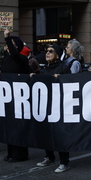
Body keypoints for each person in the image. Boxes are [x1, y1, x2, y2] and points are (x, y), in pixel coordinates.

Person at [0, 29, 30, 163]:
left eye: (13, 44)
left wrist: (8, 38)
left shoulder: (20, 58)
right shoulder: (6, 59)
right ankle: (11, 153)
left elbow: (15, 55)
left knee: (18, 126)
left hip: (19, 97)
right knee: (9, 126)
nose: (9, 46)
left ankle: (20, 154)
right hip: (7, 96)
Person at [35, 44, 71, 173]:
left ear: (57, 54)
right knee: (47, 132)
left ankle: (64, 162)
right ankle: (49, 156)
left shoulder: (63, 67)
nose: (47, 53)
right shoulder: (47, 68)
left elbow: (70, 85)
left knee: (60, 134)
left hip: (60, 106)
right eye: (46, 51)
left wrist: (61, 79)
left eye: (51, 51)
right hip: (48, 104)